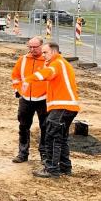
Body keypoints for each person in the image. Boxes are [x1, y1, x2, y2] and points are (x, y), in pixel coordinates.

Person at [22, 42, 81, 178]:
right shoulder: (61, 63)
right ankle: (65, 167)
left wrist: (29, 79)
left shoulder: (57, 63)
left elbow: (48, 73)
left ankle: (51, 169)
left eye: (45, 52)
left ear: (53, 52)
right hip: (67, 107)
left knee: (52, 137)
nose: (43, 55)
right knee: (61, 138)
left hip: (62, 107)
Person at [10, 37, 48, 164]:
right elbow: (15, 76)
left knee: (45, 127)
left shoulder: (48, 61)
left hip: (44, 99)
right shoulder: (23, 59)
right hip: (26, 99)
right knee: (23, 126)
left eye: (35, 47)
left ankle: (45, 154)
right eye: (30, 47)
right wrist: (18, 90)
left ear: (42, 46)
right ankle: (23, 153)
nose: (32, 50)